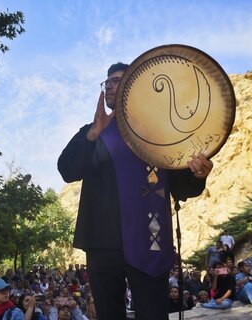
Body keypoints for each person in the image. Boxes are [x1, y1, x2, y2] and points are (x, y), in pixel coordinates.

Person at [58, 62, 213, 320]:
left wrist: (197, 174)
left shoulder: (160, 135)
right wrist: (93, 134)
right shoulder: (93, 132)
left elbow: (182, 187)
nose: (109, 86)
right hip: (103, 243)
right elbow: (67, 170)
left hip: (150, 239)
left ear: (134, 87)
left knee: (152, 314)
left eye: (117, 81)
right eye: (106, 82)